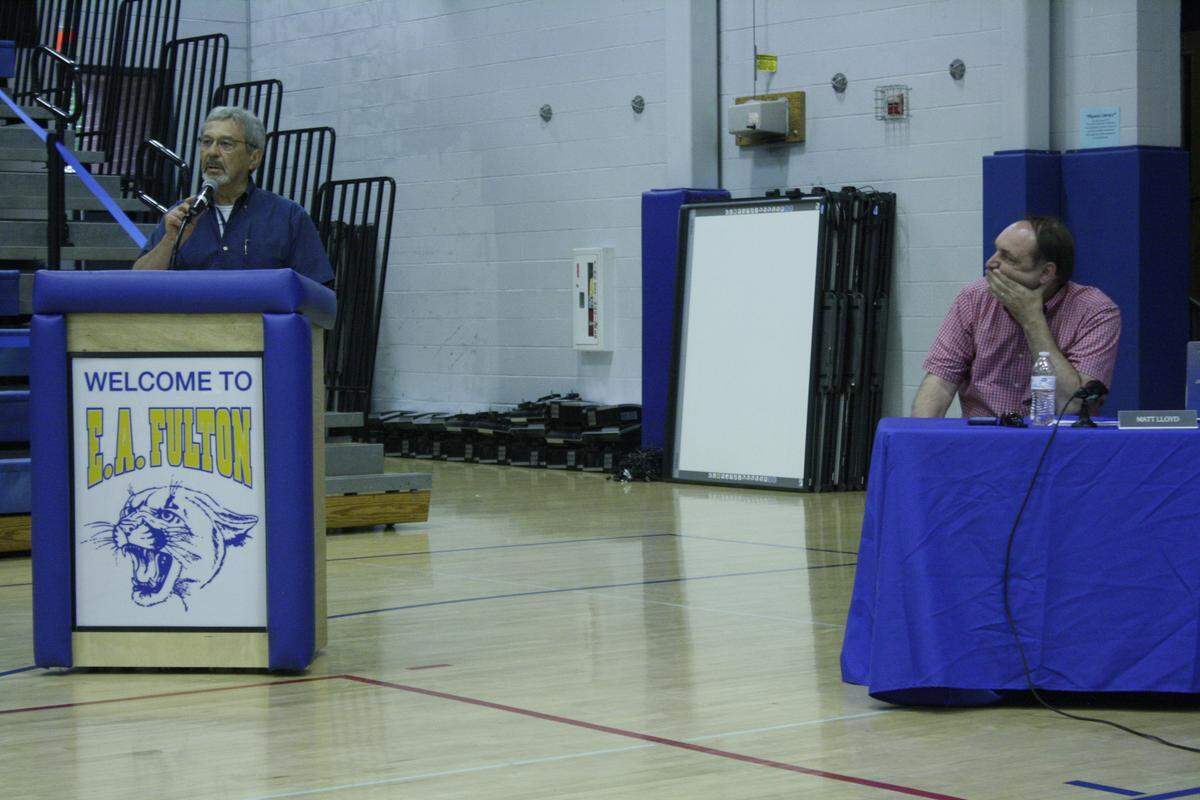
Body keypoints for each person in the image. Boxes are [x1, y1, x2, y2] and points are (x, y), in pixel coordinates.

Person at [911, 215, 1120, 419]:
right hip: (983, 438)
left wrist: (1032, 320)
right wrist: (920, 441)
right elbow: (940, 383)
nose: (991, 263)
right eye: (996, 251)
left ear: (1046, 273)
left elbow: (1072, 405)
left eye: (1008, 258)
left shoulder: (1096, 311)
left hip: (1057, 442)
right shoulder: (974, 298)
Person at [133, 106, 335, 285]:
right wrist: (170, 240)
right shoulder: (181, 215)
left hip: (259, 327)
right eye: (206, 142)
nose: (212, 152)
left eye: (226, 144)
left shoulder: (287, 216)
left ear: (254, 158)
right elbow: (135, 287)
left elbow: (318, 298)